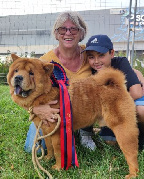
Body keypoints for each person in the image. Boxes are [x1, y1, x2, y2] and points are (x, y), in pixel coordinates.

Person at [24, 11, 96, 152]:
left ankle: (85, 132)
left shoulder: (91, 54)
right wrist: (35, 109)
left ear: (82, 33)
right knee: (34, 149)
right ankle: (67, 133)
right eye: (62, 29)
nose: (68, 33)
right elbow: (25, 90)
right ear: (56, 34)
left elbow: (114, 63)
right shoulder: (44, 62)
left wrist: (138, 76)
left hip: (83, 112)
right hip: (53, 114)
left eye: (73, 29)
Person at [81, 34, 144, 150]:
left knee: (143, 112)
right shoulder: (90, 71)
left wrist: (110, 106)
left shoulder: (120, 63)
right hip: (113, 109)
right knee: (110, 141)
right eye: (91, 57)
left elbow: (137, 93)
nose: (96, 61)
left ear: (111, 53)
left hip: (136, 101)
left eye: (101, 55)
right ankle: (133, 129)